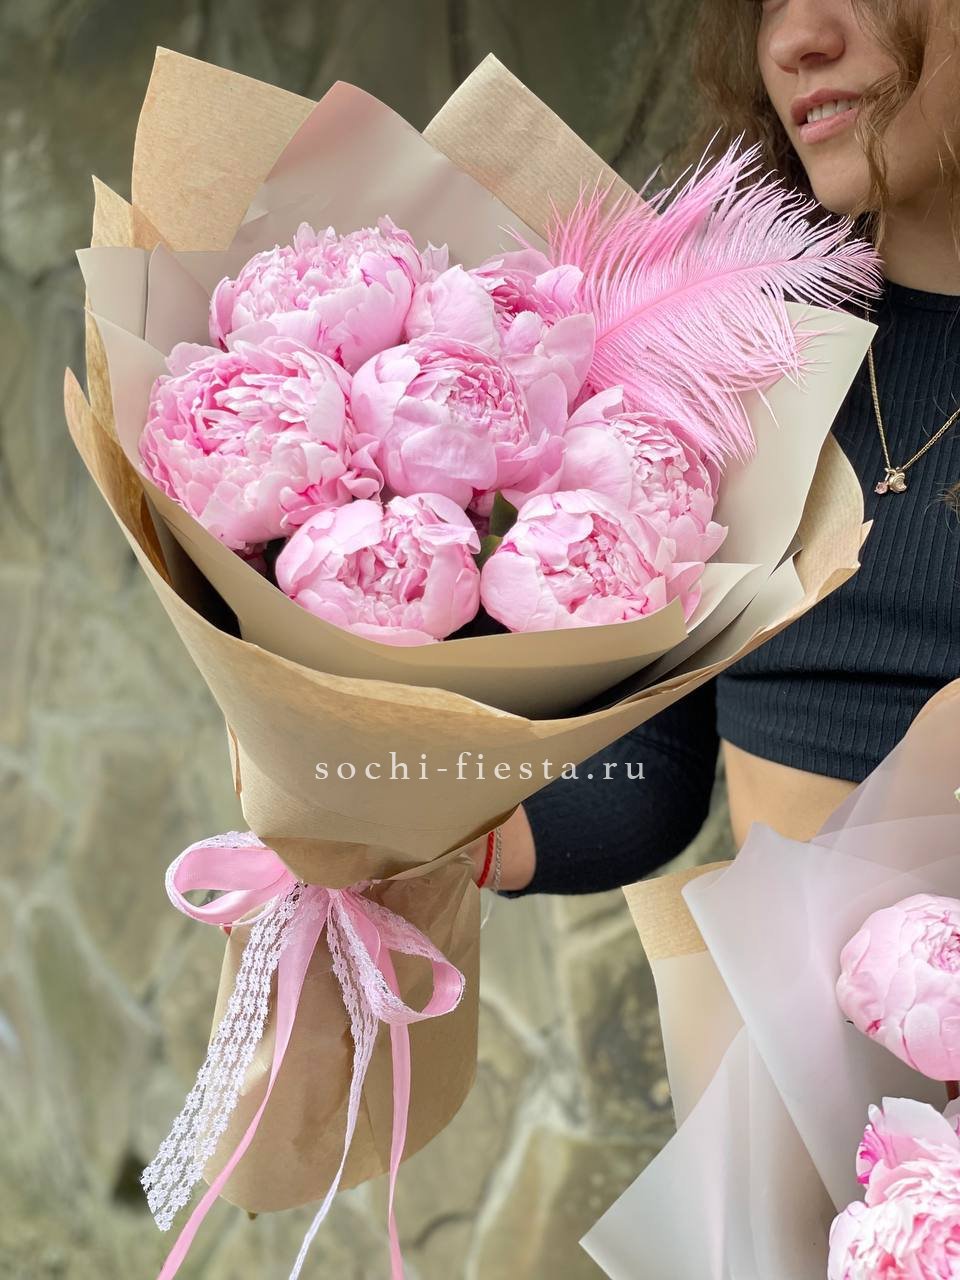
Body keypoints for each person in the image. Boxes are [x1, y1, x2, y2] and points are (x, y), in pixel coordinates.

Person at [471, 0, 960, 896]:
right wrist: (433, 829)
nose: (794, 39)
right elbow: (654, 761)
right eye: (768, 2)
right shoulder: (731, 348)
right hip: (767, 991)